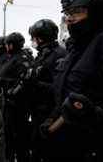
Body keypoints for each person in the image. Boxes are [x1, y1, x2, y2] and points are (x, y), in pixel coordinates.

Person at [42, 0, 103, 161]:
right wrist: (51, 119)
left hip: (94, 146)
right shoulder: (75, 47)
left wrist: (94, 113)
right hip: (66, 145)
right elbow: (66, 92)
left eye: (77, 12)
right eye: (68, 14)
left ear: (96, 13)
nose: (70, 19)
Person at [28, 19, 67, 162]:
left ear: (41, 38)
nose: (32, 41)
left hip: (50, 114)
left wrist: (36, 84)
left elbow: (61, 88)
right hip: (38, 111)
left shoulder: (59, 55)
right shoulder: (44, 54)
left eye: (34, 38)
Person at [0, 32, 34, 162]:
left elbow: (24, 81)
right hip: (11, 104)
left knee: (18, 138)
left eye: (7, 44)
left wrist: (10, 94)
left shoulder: (21, 59)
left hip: (17, 106)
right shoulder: (14, 57)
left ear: (11, 45)